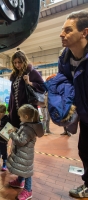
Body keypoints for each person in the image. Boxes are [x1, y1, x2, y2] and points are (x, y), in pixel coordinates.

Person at [57, 10, 88, 198]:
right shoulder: (64, 58)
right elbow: (64, 84)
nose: (62, 34)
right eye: (62, 30)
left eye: (68, 30)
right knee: (84, 150)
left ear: (85, 32)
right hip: (85, 116)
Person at [7, 104, 44, 200]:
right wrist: (16, 130)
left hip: (25, 154)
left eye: (20, 116)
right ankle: (19, 181)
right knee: (22, 168)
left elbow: (21, 141)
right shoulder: (27, 125)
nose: (19, 118)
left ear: (26, 117)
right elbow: (23, 135)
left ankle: (28, 190)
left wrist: (12, 134)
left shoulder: (28, 129)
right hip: (24, 154)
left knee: (27, 172)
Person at [8, 51, 45, 129]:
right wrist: (10, 109)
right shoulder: (15, 75)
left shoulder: (31, 72)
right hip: (15, 109)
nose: (17, 65)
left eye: (19, 62)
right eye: (15, 63)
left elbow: (43, 87)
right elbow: (12, 94)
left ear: (24, 61)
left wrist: (29, 82)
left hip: (27, 108)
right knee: (16, 132)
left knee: (28, 133)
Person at [0, 104, 9, 171]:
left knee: (4, 151)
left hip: (3, 138)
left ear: (3, 113)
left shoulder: (6, 119)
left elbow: (7, 128)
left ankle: (5, 163)